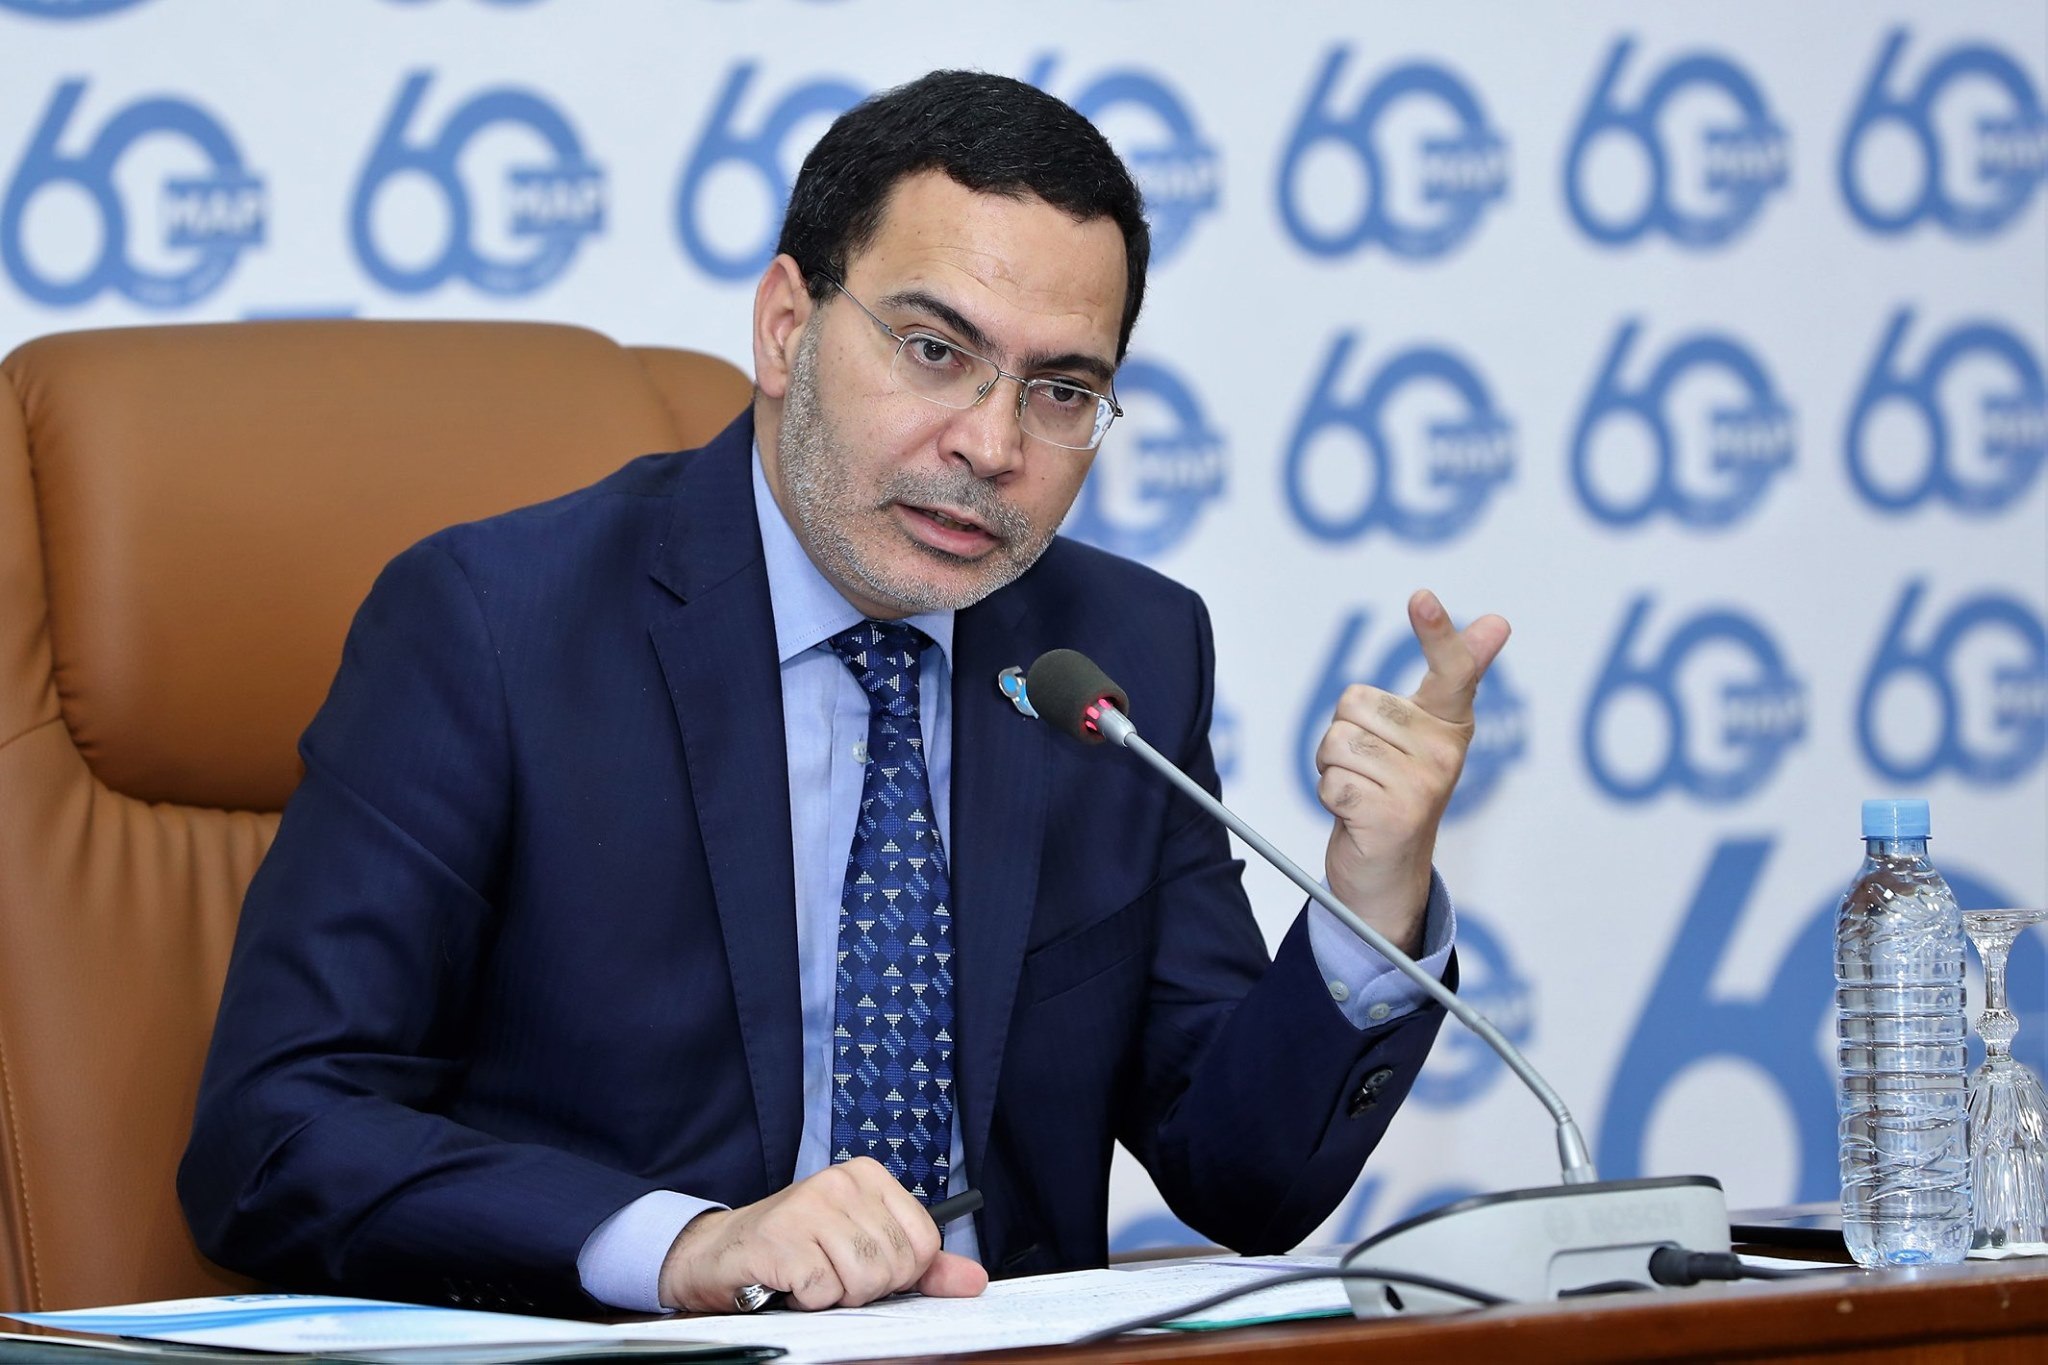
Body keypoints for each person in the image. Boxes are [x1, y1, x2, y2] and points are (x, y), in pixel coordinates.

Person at [179, 69, 1508, 1319]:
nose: (991, 444)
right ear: (785, 329)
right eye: (934, 349)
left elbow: (1244, 1178)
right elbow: (277, 1132)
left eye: (1061, 391)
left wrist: (1374, 898)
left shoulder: (1121, 655)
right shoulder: (496, 627)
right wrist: (682, 1246)